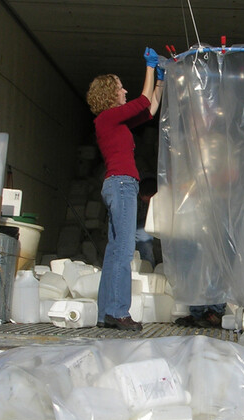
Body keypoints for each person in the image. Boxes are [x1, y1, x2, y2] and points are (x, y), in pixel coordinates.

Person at [87, 48, 164, 330]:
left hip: (117, 185)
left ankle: (105, 312)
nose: (125, 91)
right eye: (120, 88)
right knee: (123, 249)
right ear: (110, 94)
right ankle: (119, 312)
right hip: (122, 184)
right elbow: (143, 100)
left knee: (113, 251)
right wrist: (149, 67)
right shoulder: (108, 118)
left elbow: (150, 109)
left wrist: (160, 83)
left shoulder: (115, 122)